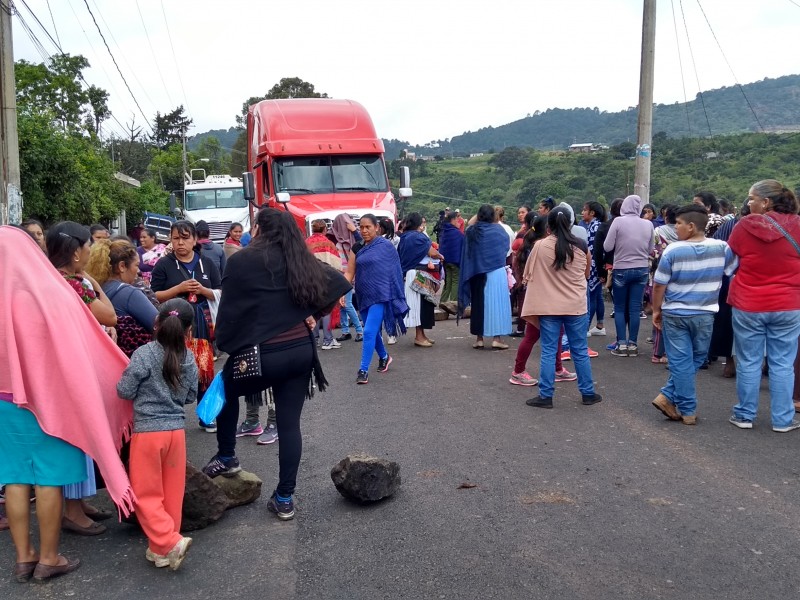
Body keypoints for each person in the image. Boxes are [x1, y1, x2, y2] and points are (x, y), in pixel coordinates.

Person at [0, 225, 134, 582]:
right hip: (49, 400)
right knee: (49, 479)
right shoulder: (50, 292)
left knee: (14, 479)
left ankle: (23, 557)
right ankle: (49, 557)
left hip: (4, 402)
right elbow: (81, 343)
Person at [210, 208, 350, 521]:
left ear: (259, 228)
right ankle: (285, 498)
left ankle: (228, 456)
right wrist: (310, 311)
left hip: (260, 354)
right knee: (289, 425)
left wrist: (231, 342)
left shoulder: (241, 260)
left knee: (224, 391)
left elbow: (230, 313)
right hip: (301, 350)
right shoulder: (299, 259)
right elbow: (338, 283)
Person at [47, 222, 119, 535]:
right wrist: (91, 280)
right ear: (76, 252)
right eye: (88, 245)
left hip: (64, 369)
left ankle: (78, 502)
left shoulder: (53, 280)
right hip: (73, 373)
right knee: (77, 437)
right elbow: (109, 315)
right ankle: (73, 512)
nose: (91, 250)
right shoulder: (74, 286)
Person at [117, 299, 197, 570]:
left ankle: (169, 541)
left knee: (146, 493)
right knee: (172, 492)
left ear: (157, 323)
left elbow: (124, 390)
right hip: (176, 432)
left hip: (148, 433)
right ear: (188, 331)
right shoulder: (188, 356)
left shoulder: (143, 353)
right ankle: (160, 550)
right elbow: (191, 396)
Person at [727, 180, 800, 432]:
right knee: (782, 363)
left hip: (748, 303)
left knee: (748, 361)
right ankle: (783, 419)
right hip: (788, 303)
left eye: (751, 198)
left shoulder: (744, 226)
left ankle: (744, 415)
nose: (748, 203)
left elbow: (729, 264)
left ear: (766, 202)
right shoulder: (798, 225)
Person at [650, 206, 732, 425]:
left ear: (691, 226)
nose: (675, 227)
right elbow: (732, 270)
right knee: (695, 358)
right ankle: (680, 406)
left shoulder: (673, 251)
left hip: (675, 313)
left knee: (681, 362)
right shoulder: (723, 248)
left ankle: (677, 403)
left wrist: (656, 310)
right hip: (705, 314)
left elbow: (659, 284)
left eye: (678, 223)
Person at [521, 207, 602, 408]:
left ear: (548, 227)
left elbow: (528, 274)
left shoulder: (540, 246)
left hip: (549, 308)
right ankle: (588, 393)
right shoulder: (582, 245)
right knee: (580, 350)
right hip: (576, 306)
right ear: (570, 224)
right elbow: (585, 274)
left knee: (548, 351)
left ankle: (546, 396)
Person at [150, 220, 222, 431]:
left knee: (204, 368)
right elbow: (154, 295)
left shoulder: (206, 263)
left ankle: (206, 415)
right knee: (172, 366)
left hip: (200, 320)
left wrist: (204, 291)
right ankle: (169, 415)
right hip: (173, 322)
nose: (180, 243)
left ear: (194, 239)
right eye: (176, 238)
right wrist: (179, 288)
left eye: (185, 238)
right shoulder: (164, 264)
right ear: (171, 240)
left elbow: (219, 292)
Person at [344, 214, 408, 384]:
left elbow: (394, 271)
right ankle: (385, 357)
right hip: (363, 295)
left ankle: (363, 370)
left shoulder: (386, 246)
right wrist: (342, 292)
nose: (364, 230)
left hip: (381, 295)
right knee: (371, 331)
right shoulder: (357, 247)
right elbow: (350, 272)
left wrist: (392, 291)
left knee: (369, 331)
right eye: (361, 227)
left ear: (376, 228)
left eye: (368, 227)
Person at [86, 239, 158, 357]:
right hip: (132, 362)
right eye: (136, 265)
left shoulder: (97, 288)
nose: (139, 271)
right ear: (122, 266)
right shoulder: (129, 293)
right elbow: (160, 326)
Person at [603, 194, 654, 357]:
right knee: (634, 308)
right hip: (641, 270)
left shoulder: (618, 221)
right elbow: (651, 249)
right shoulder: (648, 224)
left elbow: (607, 246)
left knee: (619, 308)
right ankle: (633, 344)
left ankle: (621, 344)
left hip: (622, 269)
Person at [459, 204, 512, 350]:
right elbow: (506, 249)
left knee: (478, 306)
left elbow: (469, 223)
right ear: (493, 216)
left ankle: (479, 339)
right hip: (496, 272)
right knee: (497, 305)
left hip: (477, 272)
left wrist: (479, 214)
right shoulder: (499, 231)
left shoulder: (473, 231)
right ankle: (497, 339)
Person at [398, 212, 443, 347]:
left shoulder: (404, 237)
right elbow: (432, 252)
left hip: (409, 274)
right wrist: (440, 256)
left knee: (418, 305)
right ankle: (419, 336)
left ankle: (422, 335)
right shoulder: (418, 237)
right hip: (419, 274)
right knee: (421, 306)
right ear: (418, 224)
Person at [307, 219, 345, 350]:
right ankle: (328, 339)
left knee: (314, 309)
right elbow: (337, 265)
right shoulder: (329, 244)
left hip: (310, 280)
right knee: (326, 309)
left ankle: (315, 338)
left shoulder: (305, 243)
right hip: (326, 280)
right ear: (324, 230)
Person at [332, 213, 365, 343]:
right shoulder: (350, 242)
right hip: (346, 276)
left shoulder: (341, 243)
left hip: (345, 277)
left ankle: (359, 331)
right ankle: (346, 331)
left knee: (347, 304)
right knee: (343, 305)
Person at [582, 201, 607, 336]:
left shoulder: (594, 227)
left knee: (591, 296)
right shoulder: (594, 225)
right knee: (597, 295)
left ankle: (586, 327)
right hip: (596, 264)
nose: (582, 213)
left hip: (594, 265)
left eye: (584, 210)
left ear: (592, 213)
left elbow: (594, 249)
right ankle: (600, 325)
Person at [438, 211, 464, 313]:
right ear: (452, 220)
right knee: (455, 281)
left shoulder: (444, 231)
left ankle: (442, 303)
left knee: (447, 282)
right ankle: (453, 305)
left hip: (445, 261)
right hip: (455, 261)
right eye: (457, 220)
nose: (458, 222)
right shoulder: (457, 233)